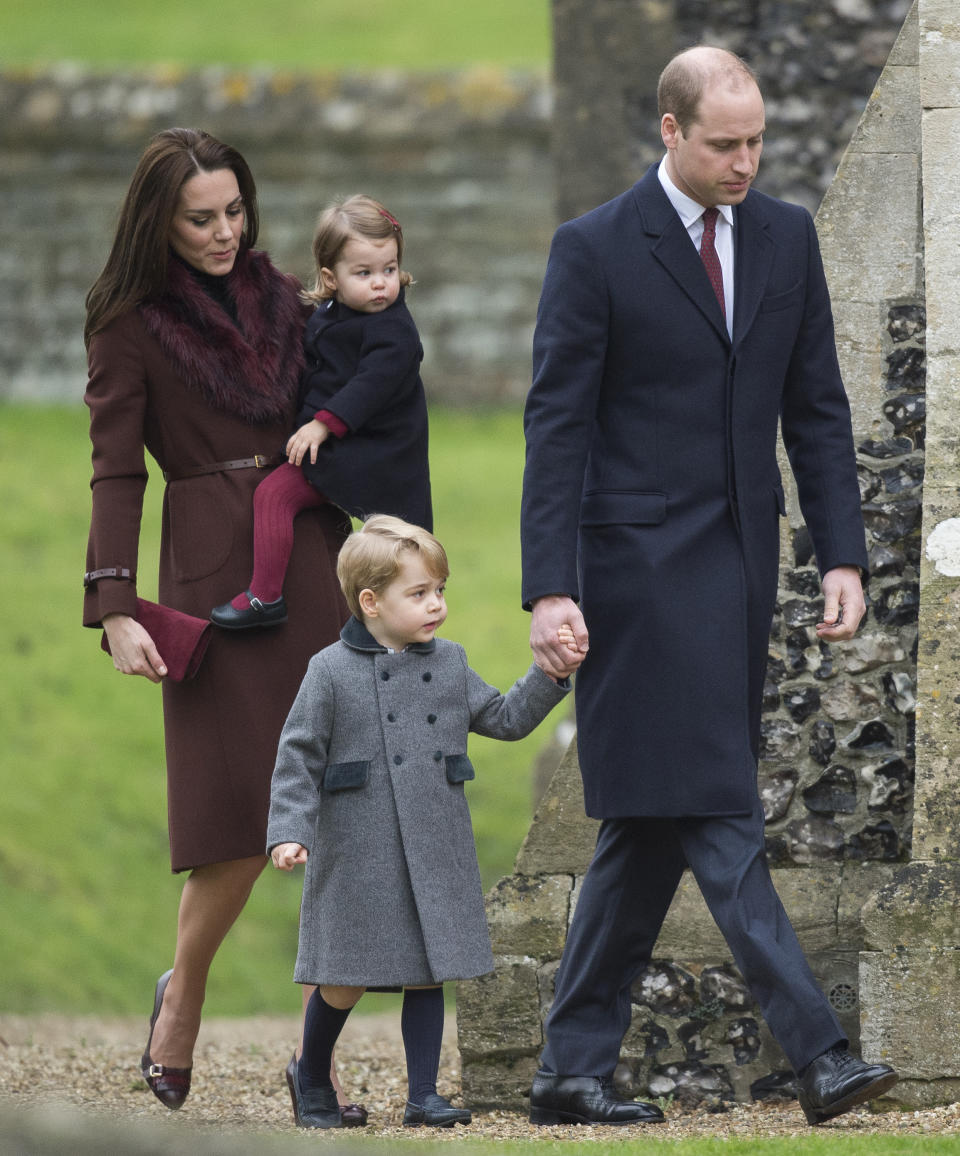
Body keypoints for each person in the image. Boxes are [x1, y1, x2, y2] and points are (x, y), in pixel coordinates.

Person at [520, 46, 898, 1127]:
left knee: (647, 821)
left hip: (742, 568)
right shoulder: (592, 248)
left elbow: (816, 408)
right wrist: (550, 586)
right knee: (719, 801)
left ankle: (566, 1069)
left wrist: (841, 554)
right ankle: (820, 1052)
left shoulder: (785, 237)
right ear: (671, 132)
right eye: (726, 143)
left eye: (758, 141)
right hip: (634, 574)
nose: (748, 161)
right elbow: (556, 427)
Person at [82, 127, 365, 1121]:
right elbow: (116, 470)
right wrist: (113, 606)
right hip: (209, 575)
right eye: (200, 217)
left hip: (315, 564)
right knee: (239, 823)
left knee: (341, 807)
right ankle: (186, 989)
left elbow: (363, 395)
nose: (222, 231)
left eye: (234, 211)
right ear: (158, 220)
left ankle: (317, 1069)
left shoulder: (289, 299)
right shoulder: (127, 323)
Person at [266, 515, 571, 1129]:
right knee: (343, 978)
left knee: (430, 973)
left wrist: (552, 674)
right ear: (370, 602)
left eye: (440, 590)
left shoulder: (451, 663)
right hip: (359, 846)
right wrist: (289, 830)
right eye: (421, 593)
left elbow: (507, 719)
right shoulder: (328, 670)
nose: (437, 605)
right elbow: (297, 757)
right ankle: (313, 1077)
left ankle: (423, 1095)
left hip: (435, 843)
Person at [210, 194, 431, 630]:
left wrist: (321, 425)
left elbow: (370, 386)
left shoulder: (395, 332)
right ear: (331, 278)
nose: (381, 284)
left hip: (375, 455)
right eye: (364, 273)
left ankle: (268, 598)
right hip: (345, 448)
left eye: (389, 269)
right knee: (293, 505)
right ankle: (283, 599)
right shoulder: (329, 314)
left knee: (396, 549)